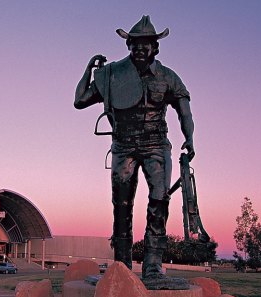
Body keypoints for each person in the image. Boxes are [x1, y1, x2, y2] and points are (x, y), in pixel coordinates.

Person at [74, 15, 195, 280]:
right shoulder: (113, 74)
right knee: (122, 204)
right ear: (128, 45)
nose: (140, 48)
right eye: (135, 44)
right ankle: (122, 265)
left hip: (156, 145)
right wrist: (89, 69)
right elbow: (80, 100)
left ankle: (153, 263)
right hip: (123, 146)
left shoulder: (168, 77)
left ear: (155, 47)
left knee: (159, 199)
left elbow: (184, 111)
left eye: (146, 44)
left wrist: (190, 138)